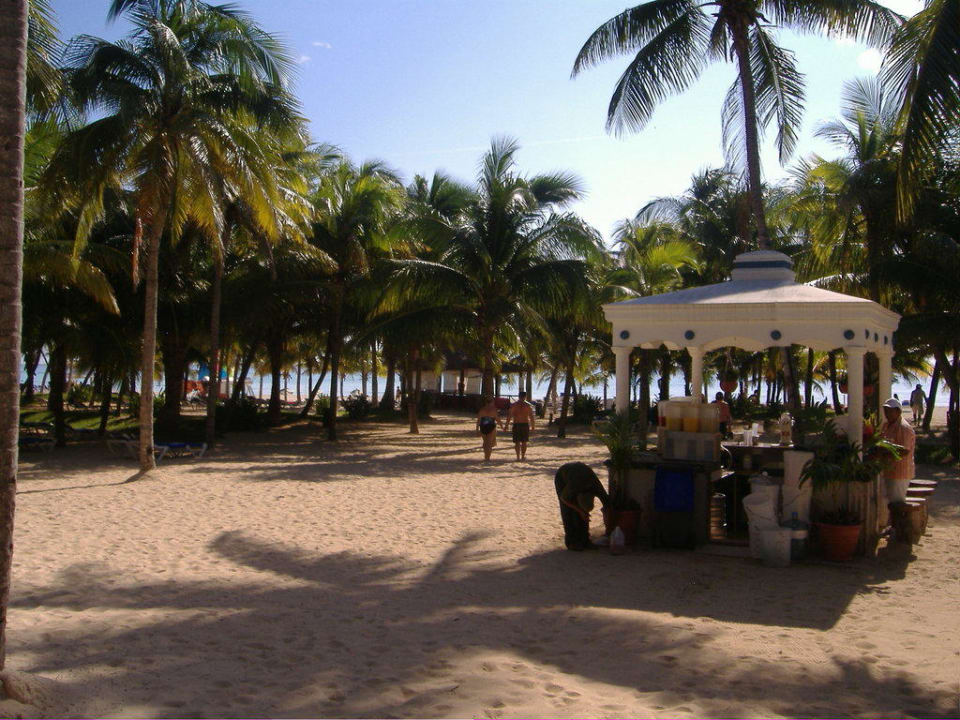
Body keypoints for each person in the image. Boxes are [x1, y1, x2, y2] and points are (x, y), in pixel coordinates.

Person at [554, 462, 610, 551]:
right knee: (568, 511)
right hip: (562, 477)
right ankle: (572, 542)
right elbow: (564, 499)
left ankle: (585, 540)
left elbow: (607, 503)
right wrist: (580, 511)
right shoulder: (574, 486)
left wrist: (608, 523)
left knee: (583, 515)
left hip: (580, 473)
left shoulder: (596, 487)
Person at [880, 397, 916, 505]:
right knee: (889, 502)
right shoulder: (886, 426)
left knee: (897, 503)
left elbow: (905, 451)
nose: (887, 413)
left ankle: (900, 522)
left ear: (898, 411)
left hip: (900, 472)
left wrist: (884, 454)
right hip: (889, 471)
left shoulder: (904, 428)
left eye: (890, 411)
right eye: (886, 410)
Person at [503, 390, 536, 460]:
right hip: (525, 424)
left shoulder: (514, 405)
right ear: (525, 397)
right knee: (524, 442)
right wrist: (533, 427)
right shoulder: (528, 406)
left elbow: (509, 417)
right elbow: (531, 418)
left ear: (519, 396)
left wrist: (506, 426)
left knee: (517, 442)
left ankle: (518, 457)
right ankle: (523, 456)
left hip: (516, 424)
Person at [476, 396, 501, 461]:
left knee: (485, 442)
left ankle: (486, 456)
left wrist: (477, 430)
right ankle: (488, 457)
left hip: (483, 426)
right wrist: (502, 426)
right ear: (492, 402)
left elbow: (478, 420)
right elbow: (497, 419)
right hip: (491, 426)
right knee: (489, 443)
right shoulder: (494, 410)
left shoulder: (482, 410)